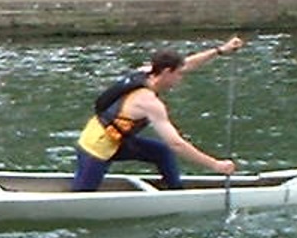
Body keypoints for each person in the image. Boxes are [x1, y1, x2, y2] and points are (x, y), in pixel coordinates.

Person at [70, 36, 246, 192]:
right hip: (95, 148)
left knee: (161, 152)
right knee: (81, 197)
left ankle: (175, 193)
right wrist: (216, 165)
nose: (181, 78)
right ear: (167, 72)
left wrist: (220, 51)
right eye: (178, 74)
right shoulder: (149, 103)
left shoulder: (146, 71)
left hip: (114, 140)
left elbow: (187, 64)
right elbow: (177, 144)